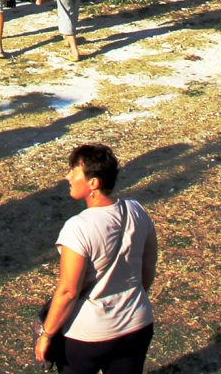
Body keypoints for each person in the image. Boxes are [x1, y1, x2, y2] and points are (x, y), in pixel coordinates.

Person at [36, 144, 158, 373]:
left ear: (93, 183)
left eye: (74, 171)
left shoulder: (77, 228)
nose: (68, 176)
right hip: (137, 325)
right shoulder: (137, 210)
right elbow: (148, 265)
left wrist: (46, 334)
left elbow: (68, 291)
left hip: (88, 336)